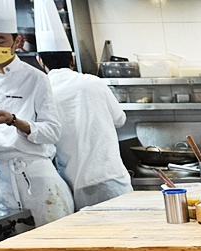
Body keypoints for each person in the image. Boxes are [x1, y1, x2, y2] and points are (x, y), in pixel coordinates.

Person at [0, 0, 74, 226]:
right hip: (3, 178)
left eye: (0, 40)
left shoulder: (35, 78)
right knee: (13, 247)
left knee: (53, 244)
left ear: (18, 41)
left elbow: (52, 131)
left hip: (39, 176)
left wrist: (14, 121)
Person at [34, 0, 132, 210]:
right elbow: (120, 119)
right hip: (112, 178)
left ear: (39, 61)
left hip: (74, 185)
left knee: (92, 239)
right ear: (72, 58)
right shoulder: (93, 82)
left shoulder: (42, 95)